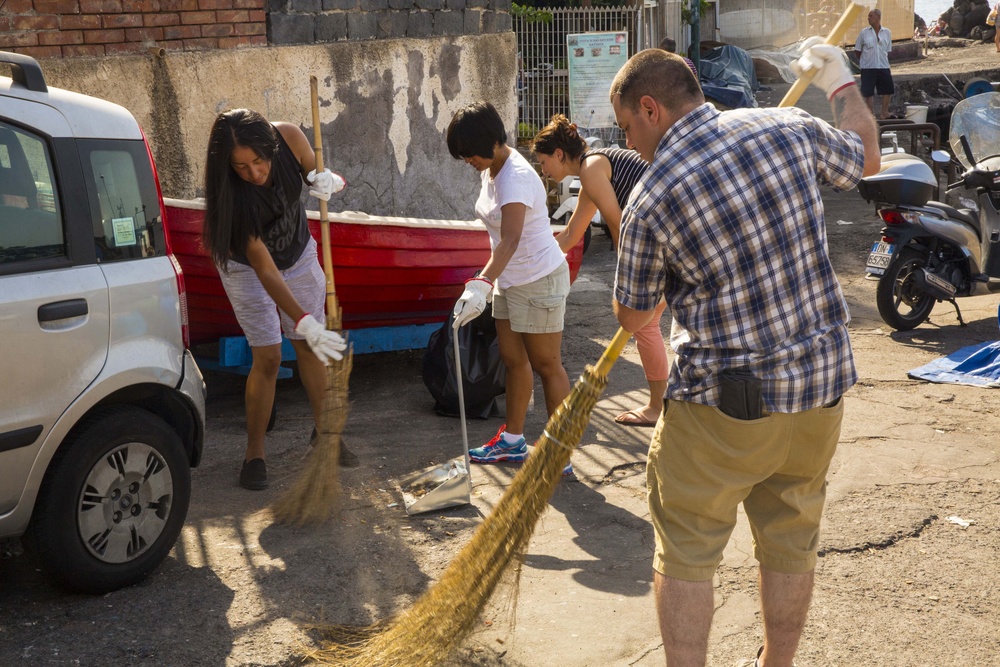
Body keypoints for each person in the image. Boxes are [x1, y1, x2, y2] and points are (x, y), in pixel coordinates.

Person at [609, 46, 879, 667]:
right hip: (819, 392)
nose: (631, 142)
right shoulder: (785, 127)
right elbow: (866, 155)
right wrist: (839, 81)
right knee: (790, 540)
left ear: (650, 109)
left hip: (723, 411)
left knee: (687, 549)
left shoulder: (652, 197)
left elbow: (633, 315)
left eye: (628, 127)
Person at [203, 108, 353, 491]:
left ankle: (326, 436)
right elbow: (265, 271)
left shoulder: (288, 137)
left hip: (298, 252)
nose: (254, 173)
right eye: (241, 167)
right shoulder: (231, 200)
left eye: (258, 161)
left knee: (308, 348)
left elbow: (316, 172)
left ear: (270, 146)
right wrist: (302, 319)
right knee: (268, 356)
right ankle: (255, 453)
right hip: (248, 270)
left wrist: (328, 180)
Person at [446, 101, 575, 476]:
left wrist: (481, 281)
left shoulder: (514, 175)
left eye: (469, 153)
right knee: (513, 359)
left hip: (538, 278)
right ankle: (513, 440)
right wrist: (490, 280)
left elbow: (512, 237)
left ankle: (560, 451)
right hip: (510, 279)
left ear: (489, 142)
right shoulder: (492, 168)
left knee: (548, 365)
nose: (467, 160)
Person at [531, 114, 665, 427]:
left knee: (646, 324)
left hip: (664, 233)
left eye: (543, 161)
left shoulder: (592, 169)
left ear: (560, 155)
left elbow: (620, 225)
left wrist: (630, 275)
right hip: (664, 231)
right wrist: (531, 262)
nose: (543, 170)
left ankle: (659, 407)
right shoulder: (591, 173)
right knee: (652, 323)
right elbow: (569, 235)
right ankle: (665, 404)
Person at [854, 8, 894, 119]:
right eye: (868, 16)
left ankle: (884, 113)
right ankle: (871, 115)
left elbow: (887, 50)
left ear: (878, 17)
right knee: (868, 92)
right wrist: (865, 60)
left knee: (888, 89)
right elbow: (857, 50)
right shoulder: (864, 33)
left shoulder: (887, 32)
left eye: (871, 16)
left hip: (883, 65)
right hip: (868, 67)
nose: (868, 18)